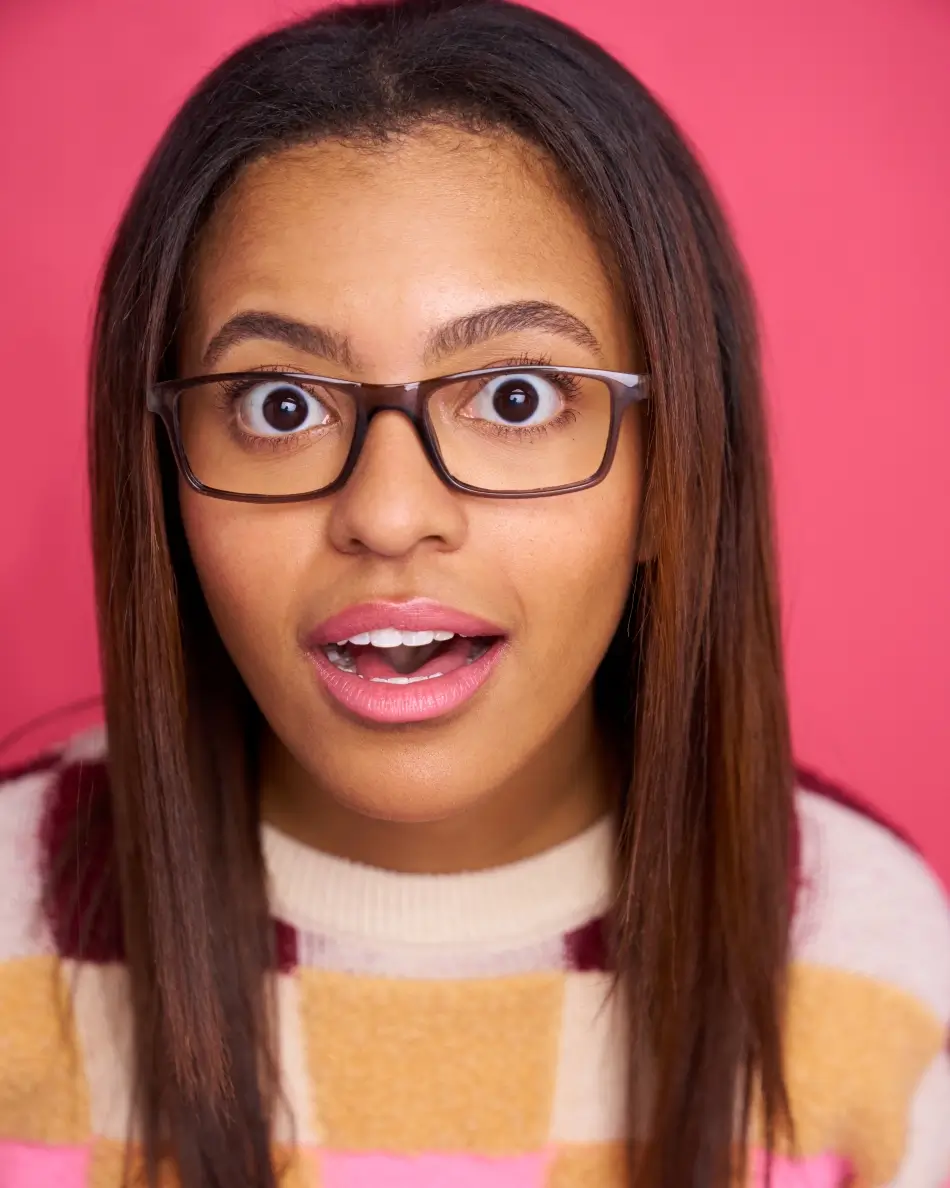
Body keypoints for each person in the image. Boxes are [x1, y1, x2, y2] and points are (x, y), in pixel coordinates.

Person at [0, 1, 947, 1185]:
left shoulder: (864, 952)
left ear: (673, 480)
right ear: (163, 480)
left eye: (513, 398)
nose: (390, 514)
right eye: (279, 406)